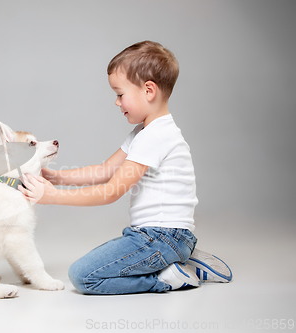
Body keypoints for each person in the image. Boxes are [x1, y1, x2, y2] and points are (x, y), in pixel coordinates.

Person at [18, 41, 232, 295]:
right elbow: (105, 170)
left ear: (149, 90)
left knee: (84, 276)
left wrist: (53, 197)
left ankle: (168, 278)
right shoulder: (144, 132)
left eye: (120, 94)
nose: (117, 102)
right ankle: (181, 259)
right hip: (164, 237)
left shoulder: (155, 136)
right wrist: (57, 177)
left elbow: (111, 191)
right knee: (96, 268)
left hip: (161, 238)